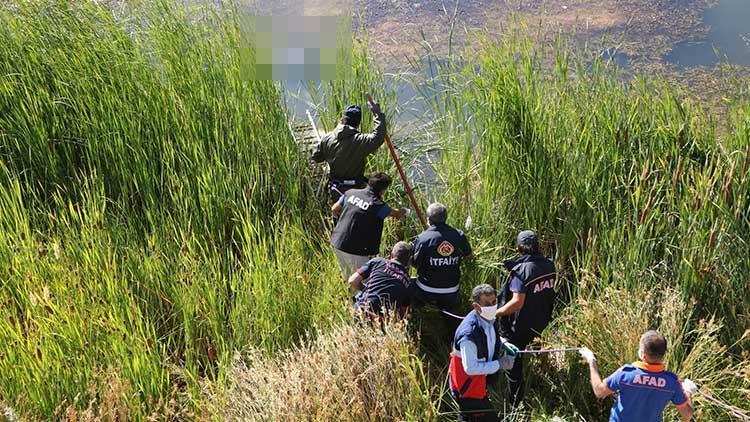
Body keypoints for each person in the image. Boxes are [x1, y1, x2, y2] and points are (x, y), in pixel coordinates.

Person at [495, 230, 556, 406]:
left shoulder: (520, 271)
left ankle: (516, 403)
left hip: (520, 325)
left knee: (513, 364)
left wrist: (496, 313)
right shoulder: (549, 265)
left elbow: (517, 303)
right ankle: (542, 364)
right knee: (534, 339)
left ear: (519, 248)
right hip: (541, 318)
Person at [579, 331, 696, 422]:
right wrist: (688, 391)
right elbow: (687, 415)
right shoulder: (671, 382)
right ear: (663, 354)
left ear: (642, 354)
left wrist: (591, 360)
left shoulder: (626, 374)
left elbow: (599, 391)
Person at [449, 284, 518, 422]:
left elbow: (490, 336)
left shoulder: (488, 318)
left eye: (494, 302)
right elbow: (471, 368)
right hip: (467, 386)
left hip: (477, 383)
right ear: (476, 306)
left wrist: (503, 343)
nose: (492, 306)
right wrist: (500, 364)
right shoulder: (468, 335)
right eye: (487, 303)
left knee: (468, 417)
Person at [330, 171, 408, 281]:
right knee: (364, 281)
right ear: (382, 191)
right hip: (356, 250)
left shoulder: (350, 193)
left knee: (348, 276)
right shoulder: (379, 206)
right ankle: (359, 298)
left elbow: (334, 209)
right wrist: (405, 211)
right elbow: (396, 214)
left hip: (337, 241)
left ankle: (351, 296)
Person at [311, 102, 387, 201]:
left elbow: (316, 157)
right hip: (356, 191)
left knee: (339, 214)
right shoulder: (360, 140)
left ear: (343, 119)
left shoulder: (327, 137)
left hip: (336, 189)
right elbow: (378, 137)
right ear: (358, 124)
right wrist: (378, 114)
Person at [411, 203, 472, 311]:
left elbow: (416, 263)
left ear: (429, 220)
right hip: (451, 290)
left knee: (410, 284)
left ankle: (421, 311)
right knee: (449, 306)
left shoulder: (423, 238)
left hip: (426, 289)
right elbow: (469, 256)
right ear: (445, 218)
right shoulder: (459, 235)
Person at [348, 241, 413, 319]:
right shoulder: (408, 282)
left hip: (361, 310)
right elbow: (403, 313)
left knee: (359, 296)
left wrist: (365, 289)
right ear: (408, 261)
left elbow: (352, 281)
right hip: (381, 321)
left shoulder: (378, 261)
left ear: (391, 255)